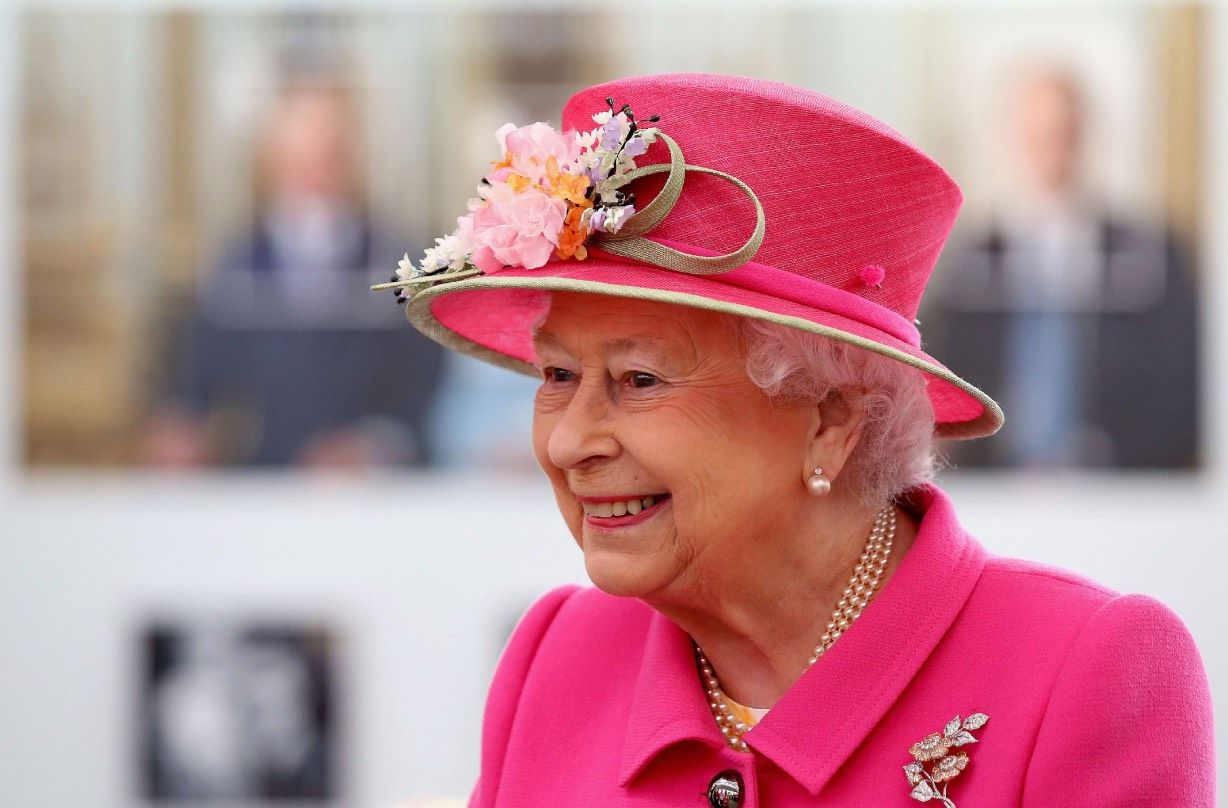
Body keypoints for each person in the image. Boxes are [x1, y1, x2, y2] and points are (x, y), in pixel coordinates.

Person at [379, 74, 1214, 806]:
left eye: (639, 380)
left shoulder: (1085, 673)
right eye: (559, 377)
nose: (569, 444)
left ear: (829, 422)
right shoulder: (556, 658)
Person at [145, 82, 444, 469]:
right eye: (300, 159)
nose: (315, 174)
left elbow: (422, 388)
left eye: (328, 156)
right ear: (270, 161)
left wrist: (375, 446)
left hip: (369, 500)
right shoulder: (234, 268)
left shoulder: (397, 264)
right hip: (258, 490)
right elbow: (196, 385)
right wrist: (183, 431)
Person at [925, 66, 1200, 469]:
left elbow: (1182, 389)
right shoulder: (966, 263)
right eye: (1039, 133)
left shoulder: (1151, 258)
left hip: (1125, 489)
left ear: (1085, 134)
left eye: (1062, 131)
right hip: (993, 488)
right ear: (1013, 137)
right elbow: (942, 378)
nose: (1051, 146)